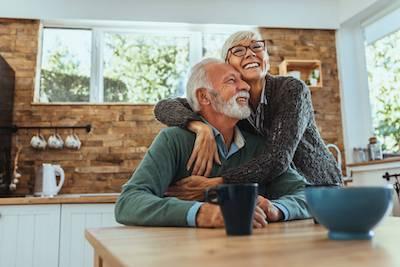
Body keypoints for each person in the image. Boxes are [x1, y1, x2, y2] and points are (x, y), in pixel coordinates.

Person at [115, 58, 310, 227]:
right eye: (232, 81)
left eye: (242, 80)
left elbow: (307, 196)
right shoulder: (173, 140)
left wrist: (276, 208)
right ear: (204, 96)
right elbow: (128, 202)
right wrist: (205, 213)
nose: (246, 86)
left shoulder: (259, 146)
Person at [153, 31, 342, 200]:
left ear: (266, 57)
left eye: (257, 47)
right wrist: (199, 126)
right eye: (238, 51)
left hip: (318, 189)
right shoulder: (230, 104)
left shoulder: (291, 90)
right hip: (278, 195)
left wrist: (217, 183)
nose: (250, 53)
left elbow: (277, 159)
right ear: (227, 65)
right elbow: (164, 106)